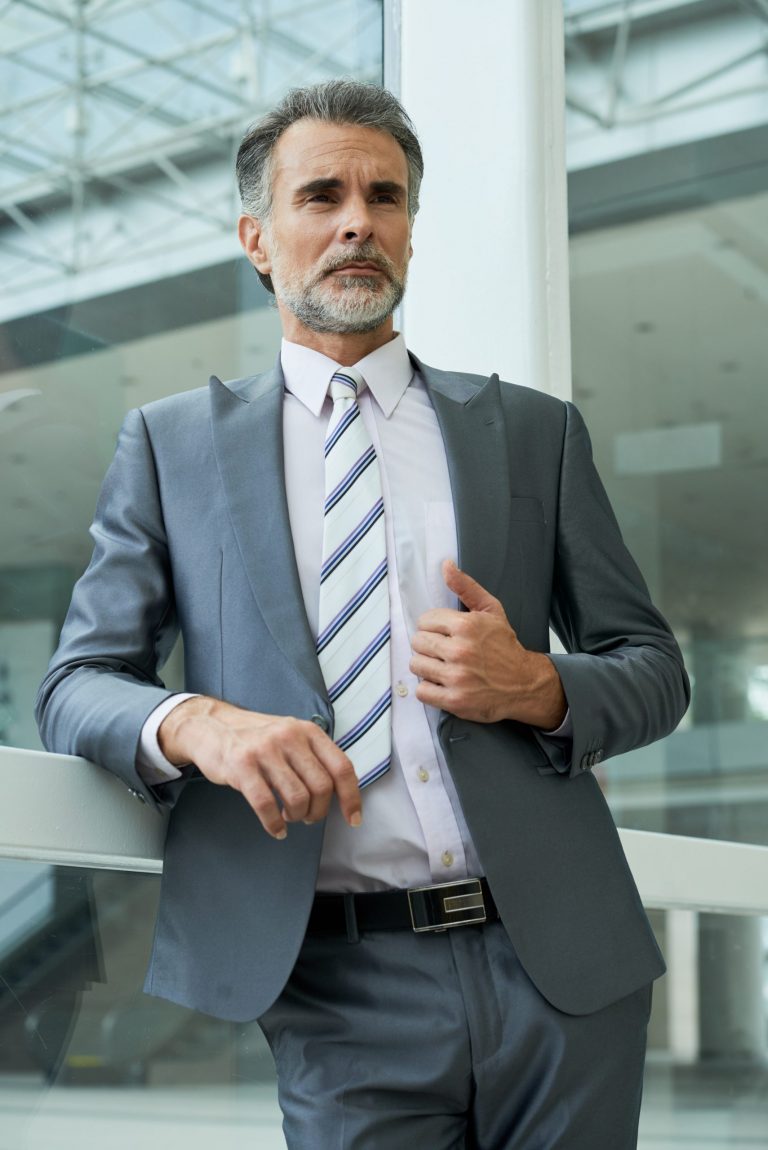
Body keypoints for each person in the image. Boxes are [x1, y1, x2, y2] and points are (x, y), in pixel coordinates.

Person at [36, 79, 689, 1149]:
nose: (358, 221)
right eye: (322, 195)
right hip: (335, 982)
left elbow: (656, 667)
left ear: (410, 236)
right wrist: (202, 723)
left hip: (561, 966)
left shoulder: (530, 434)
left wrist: (541, 682)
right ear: (258, 236)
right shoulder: (171, 447)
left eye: (386, 198)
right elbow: (74, 684)